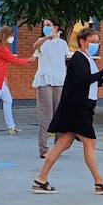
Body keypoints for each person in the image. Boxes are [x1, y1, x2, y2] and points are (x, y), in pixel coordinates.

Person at [31, 26, 103, 195]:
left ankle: (40, 179)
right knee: (90, 143)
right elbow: (82, 81)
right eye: (92, 42)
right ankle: (99, 182)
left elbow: (89, 82)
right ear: (82, 41)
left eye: (97, 42)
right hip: (78, 108)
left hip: (80, 106)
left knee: (63, 143)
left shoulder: (87, 59)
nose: (95, 45)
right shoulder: (78, 58)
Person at [31, 20, 71, 158]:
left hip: (59, 81)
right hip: (44, 81)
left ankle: (57, 147)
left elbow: (67, 57)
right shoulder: (42, 42)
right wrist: (47, 37)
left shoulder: (62, 43)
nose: (45, 27)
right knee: (46, 116)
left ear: (56, 27)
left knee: (59, 115)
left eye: (48, 25)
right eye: (44, 25)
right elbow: (34, 46)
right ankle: (43, 149)